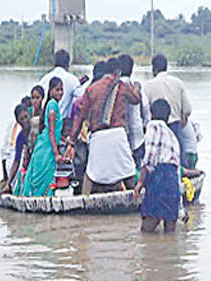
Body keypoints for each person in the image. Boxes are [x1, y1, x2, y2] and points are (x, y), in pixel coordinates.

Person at [67, 57, 141, 194]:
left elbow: (80, 117)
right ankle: (137, 199)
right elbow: (136, 99)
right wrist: (136, 87)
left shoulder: (91, 89)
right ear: (117, 72)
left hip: (97, 136)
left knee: (90, 174)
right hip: (117, 135)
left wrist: (71, 141)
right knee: (128, 172)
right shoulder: (121, 86)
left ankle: (84, 201)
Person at [134, 99, 181, 234]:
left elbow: (149, 158)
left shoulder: (152, 126)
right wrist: (181, 209)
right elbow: (177, 173)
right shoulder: (173, 137)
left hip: (159, 179)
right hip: (173, 184)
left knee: (146, 232)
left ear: (151, 114)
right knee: (170, 234)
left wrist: (141, 182)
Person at [15, 77, 64, 197]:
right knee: (45, 177)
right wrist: (56, 153)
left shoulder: (51, 105)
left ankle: (38, 199)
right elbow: (51, 131)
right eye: (57, 90)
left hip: (45, 146)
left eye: (62, 90)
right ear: (51, 91)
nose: (60, 93)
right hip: (47, 147)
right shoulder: (52, 105)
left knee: (43, 178)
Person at [144, 54, 192, 163]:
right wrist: (183, 116)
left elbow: (145, 110)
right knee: (178, 160)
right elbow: (187, 109)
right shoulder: (178, 83)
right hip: (175, 126)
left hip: (155, 129)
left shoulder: (148, 85)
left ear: (153, 69)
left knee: (156, 160)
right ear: (166, 67)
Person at [118, 54, 151, 170]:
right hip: (137, 137)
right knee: (138, 167)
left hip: (120, 136)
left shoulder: (113, 88)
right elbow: (146, 111)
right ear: (131, 70)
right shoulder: (136, 88)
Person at [38, 49, 80, 124]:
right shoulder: (73, 80)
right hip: (63, 126)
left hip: (45, 123)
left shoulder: (44, 79)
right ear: (68, 64)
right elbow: (82, 97)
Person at [1, 103, 32, 194]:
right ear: (18, 122)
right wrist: (8, 183)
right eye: (22, 119)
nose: (25, 121)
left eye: (26, 117)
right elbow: (16, 161)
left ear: (29, 115)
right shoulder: (21, 137)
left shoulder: (37, 126)